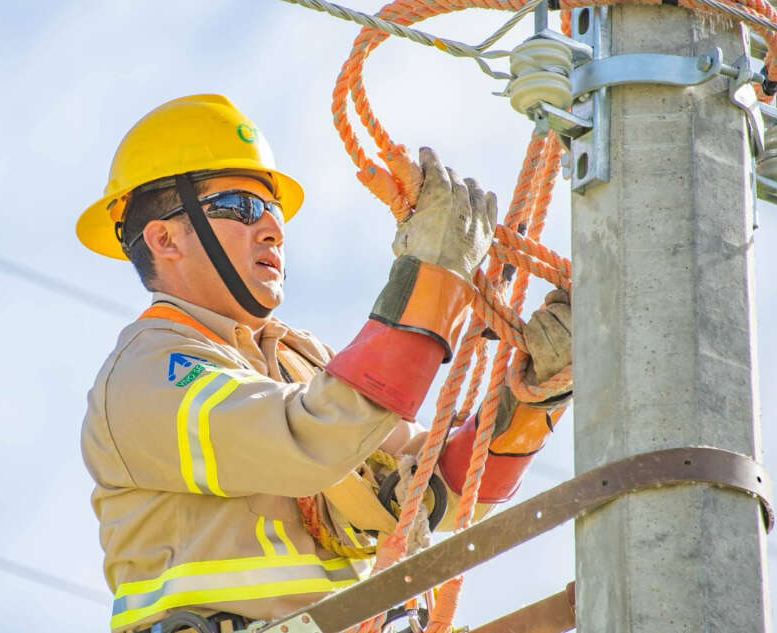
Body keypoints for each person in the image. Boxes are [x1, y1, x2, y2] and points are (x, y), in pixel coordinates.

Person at [79, 94, 573, 633]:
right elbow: (312, 441)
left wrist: (533, 396)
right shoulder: (148, 371)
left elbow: (433, 491)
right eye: (243, 207)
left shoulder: (298, 362)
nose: (272, 228)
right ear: (164, 237)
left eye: (274, 210)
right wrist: (432, 274)